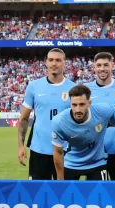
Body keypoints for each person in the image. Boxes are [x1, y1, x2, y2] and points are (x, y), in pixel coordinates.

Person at [18, 48, 76, 180]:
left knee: (63, 193)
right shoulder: (34, 86)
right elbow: (24, 118)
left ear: (64, 63)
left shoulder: (73, 88)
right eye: (50, 60)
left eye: (58, 60)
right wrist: (21, 146)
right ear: (46, 62)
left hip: (65, 151)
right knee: (36, 194)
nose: (54, 63)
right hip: (39, 150)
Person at [51, 85, 115, 180]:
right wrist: (60, 179)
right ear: (70, 103)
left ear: (89, 103)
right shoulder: (59, 121)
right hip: (71, 163)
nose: (78, 109)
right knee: (66, 194)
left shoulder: (101, 110)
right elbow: (58, 152)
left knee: (102, 194)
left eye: (82, 104)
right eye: (74, 105)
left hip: (97, 162)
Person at [84, 52, 115, 180]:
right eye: (98, 65)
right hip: (95, 150)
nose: (102, 68)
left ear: (112, 66)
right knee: (97, 190)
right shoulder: (86, 89)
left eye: (106, 65)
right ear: (94, 67)